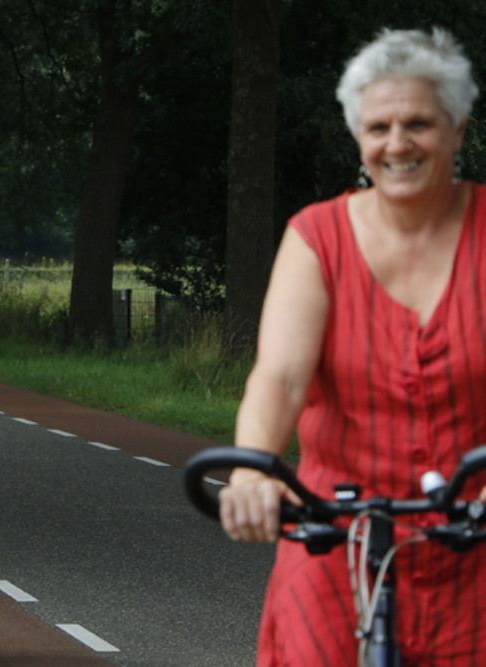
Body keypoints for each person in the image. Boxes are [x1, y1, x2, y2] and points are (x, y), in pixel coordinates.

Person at [218, 28, 486, 664]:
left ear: (457, 129)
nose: (397, 143)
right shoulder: (316, 236)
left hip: (474, 541)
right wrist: (254, 467)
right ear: (358, 135)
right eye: (378, 127)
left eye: (418, 124)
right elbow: (280, 377)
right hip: (335, 542)